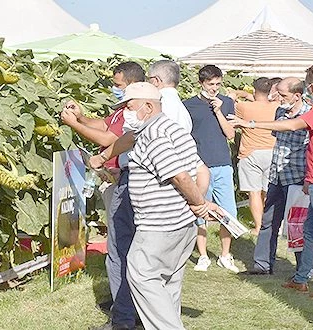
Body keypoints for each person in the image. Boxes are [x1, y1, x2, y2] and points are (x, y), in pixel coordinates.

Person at [228, 64, 313, 300]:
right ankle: (300, 279)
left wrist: (250, 124)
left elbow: (291, 125)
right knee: (309, 231)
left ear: (310, 86)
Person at [109, 81, 217, 330]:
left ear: (148, 106)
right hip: (181, 225)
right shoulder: (175, 128)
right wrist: (196, 204)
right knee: (168, 283)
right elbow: (201, 169)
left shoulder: (153, 134)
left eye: (129, 106)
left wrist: (199, 203)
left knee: (142, 276)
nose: (126, 112)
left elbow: (179, 175)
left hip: (158, 225)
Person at [61, 61, 144, 329]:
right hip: (117, 181)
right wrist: (83, 117)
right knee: (119, 246)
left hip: (125, 182)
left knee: (120, 248)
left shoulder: (134, 113)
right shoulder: (124, 110)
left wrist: (74, 125)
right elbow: (105, 124)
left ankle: (125, 316)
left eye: (118, 86)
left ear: (132, 85)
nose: (114, 89)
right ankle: (125, 304)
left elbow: (108, 139)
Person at [240, 77, 313, 276]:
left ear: (297, 95)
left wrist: (251, 124)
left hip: (298, 178)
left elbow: (291, 128)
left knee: (297, 225)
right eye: (276, 93)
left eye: (282, 94)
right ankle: (262, 265)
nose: (276, 98)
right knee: (268, 222)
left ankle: (305, 269)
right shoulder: (279, 111)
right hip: (277, 175)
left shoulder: (310, 114)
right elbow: (278, 140)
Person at [183, 65, 239, 273]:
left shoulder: (227, 103)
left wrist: (218, 111)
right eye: (210, 84)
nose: (214, 88)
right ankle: (203, 255)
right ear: (201, 83)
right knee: (200, 211)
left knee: (228, 212)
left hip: (222, 163)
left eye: (218, 84)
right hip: (199, 165)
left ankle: (225, 254)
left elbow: (230, 134)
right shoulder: (188, 106)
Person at [89, 60, 192, 169]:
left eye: (149, 79)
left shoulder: (155, 102)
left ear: (156, 81)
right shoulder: (182, 110)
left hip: (146, 172)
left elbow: (132, 136)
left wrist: (102, 157)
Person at [235, 77, 279, 235]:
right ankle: (271, 224)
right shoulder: (277, 106)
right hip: (272, 151)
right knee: (270, 191)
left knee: (254, 192)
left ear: (254, 89)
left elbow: (233, 104)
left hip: (250, 152)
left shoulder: (243, 107)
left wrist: (239, 94)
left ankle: (259, 226)